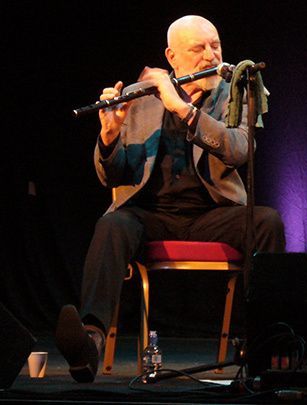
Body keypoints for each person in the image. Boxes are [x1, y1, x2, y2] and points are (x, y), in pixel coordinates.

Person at [55, 15, 285, 383]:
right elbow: (111, 177)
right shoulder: (140, 96)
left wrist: (183, 108)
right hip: (150, 215)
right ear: (172, 57)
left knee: (266, 221)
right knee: (112, 223)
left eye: (216, 46)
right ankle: (91, 340)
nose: (211, 57)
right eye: (199, 49)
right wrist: (110, 137)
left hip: (213, 214)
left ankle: (260, 339)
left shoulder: (236, 93)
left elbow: (240, 149)